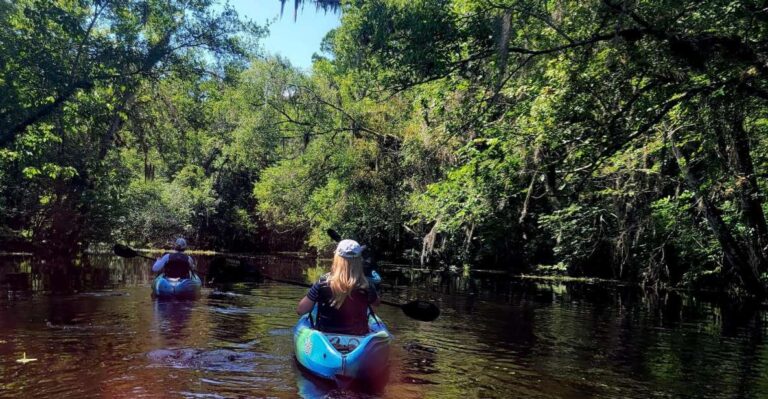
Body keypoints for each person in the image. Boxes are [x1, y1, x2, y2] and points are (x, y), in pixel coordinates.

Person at [297, 239, 380, 335]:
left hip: (326, 335)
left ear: (337, 259)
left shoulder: (323, 282)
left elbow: (301, 310)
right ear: (358, 260)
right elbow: (376, 303)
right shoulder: (366, 285)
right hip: (358, 336)